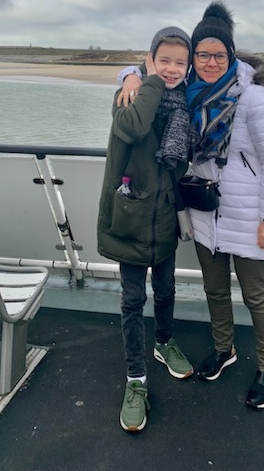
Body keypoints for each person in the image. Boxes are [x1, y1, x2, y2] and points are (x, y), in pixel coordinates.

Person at [119, 2, 264, 410]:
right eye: (203, 54)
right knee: (214, 288)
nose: (211, 63)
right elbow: (151, 69)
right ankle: (224, 349)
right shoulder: (187, 90)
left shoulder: (253, 96)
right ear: (193, 57)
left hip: (247, 214)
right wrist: (128, 75)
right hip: (204, 210)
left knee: (255, 294)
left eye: (219, 55)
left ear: (231, 55)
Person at [97, 26, 194, 433]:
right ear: (149, 59)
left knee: (167, 289)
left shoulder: (183, 103)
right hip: (132, 216)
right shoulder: (129, 96)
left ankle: (163, 343)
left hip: (165, 215)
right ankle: (135, 379)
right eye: (163, 60)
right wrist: (139, 78)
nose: (171, 69)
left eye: (179, 62)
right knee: (133, 300)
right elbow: (135, 128)